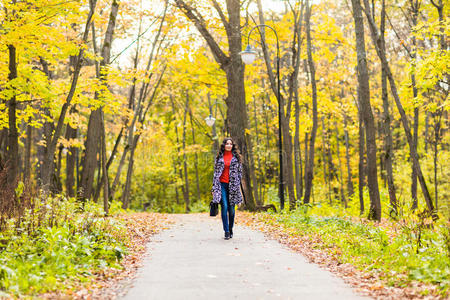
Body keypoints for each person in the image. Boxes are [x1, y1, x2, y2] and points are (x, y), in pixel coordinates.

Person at [211, 137, 243, 240]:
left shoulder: (236, 158)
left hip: (233, 186)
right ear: (224, 145)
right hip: (221, 185)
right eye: (227, 143)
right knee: (224, 207)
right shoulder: (219, 158)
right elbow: (215, 174)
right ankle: (226, 231)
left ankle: (231, 228)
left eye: (230, 144)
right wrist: (214, 189)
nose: (229, 145)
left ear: (232, 146)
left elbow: (240, 174)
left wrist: (238, 189)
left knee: (232, 210)